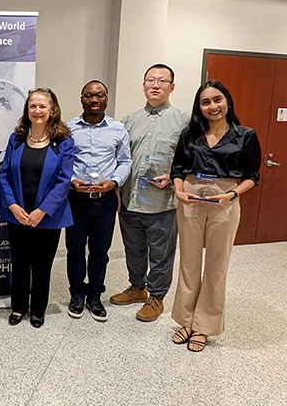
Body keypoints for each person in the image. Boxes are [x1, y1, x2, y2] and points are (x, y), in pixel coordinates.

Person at [170, 80, 261, 352]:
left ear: (228, 102)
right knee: (188, 262)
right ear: (199, 107)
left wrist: (232, 195)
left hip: (225, 200)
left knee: (216, 265)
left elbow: (252, 177)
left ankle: (205, 325)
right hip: (191, 197)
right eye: (205, 102)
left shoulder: (246, 135)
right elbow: (177, 168)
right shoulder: (189, 134)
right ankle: (186, 320)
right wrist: (179, 191)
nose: (213, 106)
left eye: (217, 99)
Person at [110, 64, 190, 321]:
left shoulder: (185, 121)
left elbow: (195, 160)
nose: (156, 85)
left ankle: (157, 298)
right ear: (143, 85)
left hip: (162, 202)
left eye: (162, 81)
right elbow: (117, 158)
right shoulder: (128, 121)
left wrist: (174, 177)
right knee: (133, 249)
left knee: (160, 253)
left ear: (172, 87)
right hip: (130, 200)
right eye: (150, 80)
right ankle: (137, 288)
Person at [0, 88, 74, 328]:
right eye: (33, 106)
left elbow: (64, 182)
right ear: (27, 110)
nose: (37, 111)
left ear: (52, 110)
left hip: (48, 217)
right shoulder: (16, 139)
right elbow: (4, 176)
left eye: (43, 106)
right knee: (19, 263)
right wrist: (13, 206)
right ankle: (19, 307)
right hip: (18, 215)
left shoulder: (64, 143)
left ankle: (38, 309)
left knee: (42, 266)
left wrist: (42, 211)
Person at [66, 80, 132, 322]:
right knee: (74, 250)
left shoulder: (118, 129)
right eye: (88, 95)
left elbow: (125, 162)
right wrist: (72, 180)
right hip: (76, 199)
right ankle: (76, 294)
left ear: (106, 98)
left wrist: (114, 182)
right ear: (81, 99)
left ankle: (95, 295)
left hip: (104, 201)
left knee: (99, 251)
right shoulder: (68, 128)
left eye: (100, 95)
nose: (94, 100)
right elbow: (62, 162)